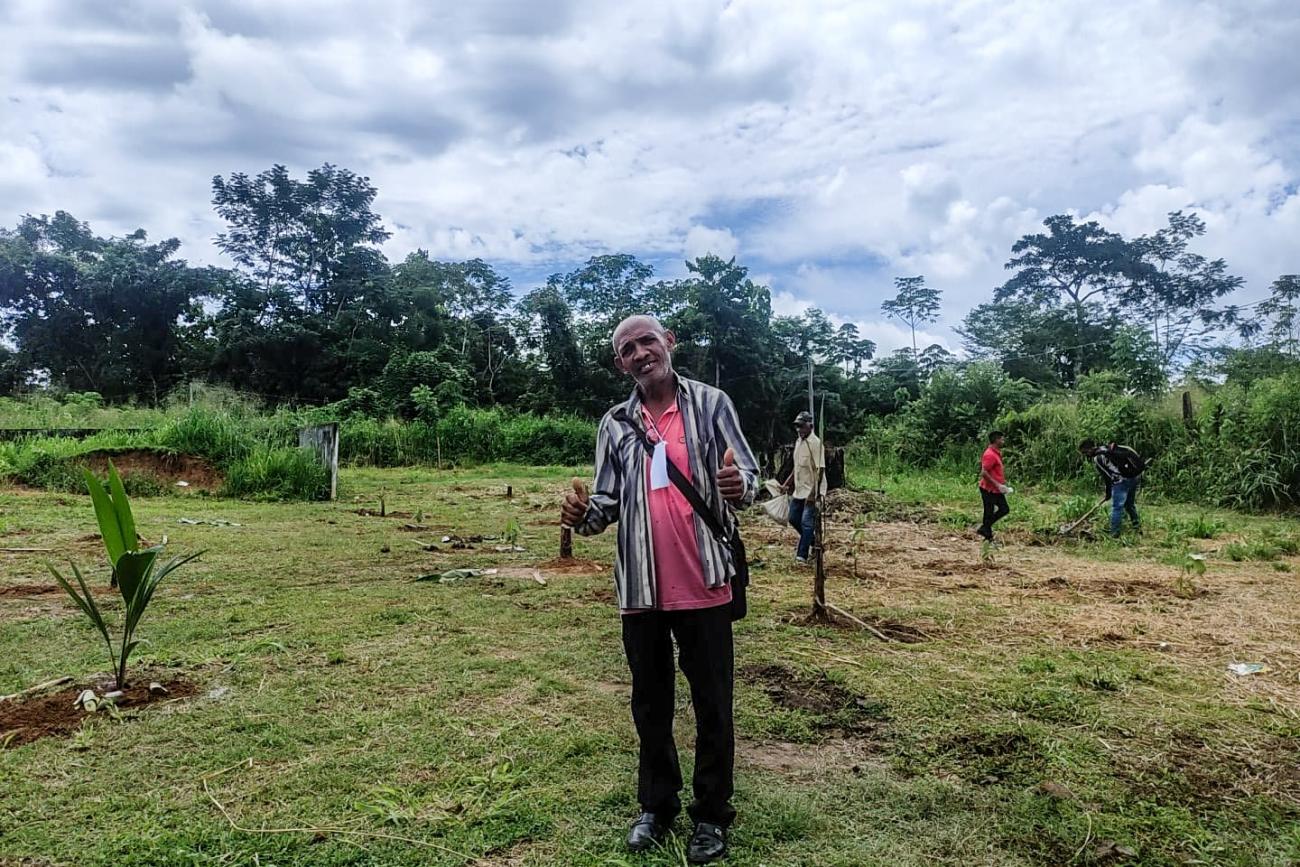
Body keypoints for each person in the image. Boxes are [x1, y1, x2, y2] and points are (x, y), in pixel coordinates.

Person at [561, 314, 758, 864]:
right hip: (640, 590)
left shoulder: (712, 404)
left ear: (669, 342)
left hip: (705, 582)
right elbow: (605, 503)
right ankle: (657, 806)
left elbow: (749, 476)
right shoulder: (614, 423)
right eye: (628, 349)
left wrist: (738, 484)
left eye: (647, 341)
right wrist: (581, 516)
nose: (640, 353)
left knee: (713, 704)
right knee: (650, 704)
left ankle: (711, 815)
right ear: (620, 364)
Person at [781, 410, 824, 563]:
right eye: (797, 426)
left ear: (810, 426)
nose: (799, 429)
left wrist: (813, 494)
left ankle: (802, 555)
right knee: (793, 518)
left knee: (806, 522)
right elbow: (797, 467)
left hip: (812, 489)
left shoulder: (816, 443)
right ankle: (814, 542)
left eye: (802, 426)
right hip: (800, 490)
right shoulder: (798, 442)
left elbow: (820, 469)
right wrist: (787, 483)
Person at [1079, 439, 1144, 537]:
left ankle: (1114, 532)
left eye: (1085, 452)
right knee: (1129, 505)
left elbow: (1107, 477)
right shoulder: (1106, 448)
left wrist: (1108, 492)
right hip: (1133, 478)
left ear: (1089, 449)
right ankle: (1137, 527)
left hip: (1120, 482)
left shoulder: (1098, 458)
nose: (1086, 455)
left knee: (1117, 507)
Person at [977, 430, 1012, 542]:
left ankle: (985, 529)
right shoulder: (990, 454)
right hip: (988, 489)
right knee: (992, 511)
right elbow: (984, 472)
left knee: (1003, 509)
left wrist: (1001, 485)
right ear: (996, 440)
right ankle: (987, 535)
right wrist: (998, 485)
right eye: (1002, 439)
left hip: (995, 489)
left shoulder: (996, 453)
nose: (1003, 441)